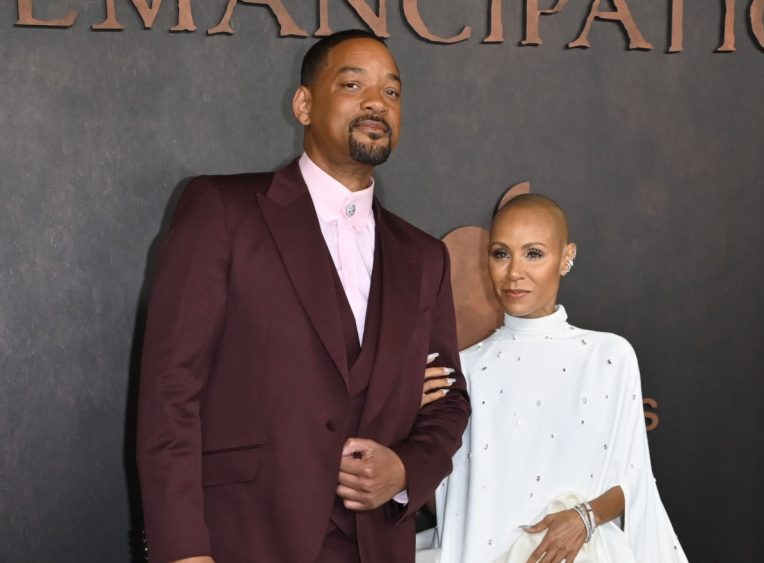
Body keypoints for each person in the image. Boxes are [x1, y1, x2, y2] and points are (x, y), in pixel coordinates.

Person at [136, 30, 470, 563]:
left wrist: (406, 469)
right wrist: (182, 551)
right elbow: (171, 392)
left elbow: (450, 398)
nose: (375, 102)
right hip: (242, 540)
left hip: (376, 546)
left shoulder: (424, 256)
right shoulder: (222, 210)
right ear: (304, 104)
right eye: (353, 84)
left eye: (391, 91)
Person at [426, 194, 687, 563]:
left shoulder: (609, 356)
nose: (514, 272)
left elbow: (634, 481)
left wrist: (585, 517)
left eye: (533, 253)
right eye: (501, 254)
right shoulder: (465, 370)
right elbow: (445, 499)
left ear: (567, 257)